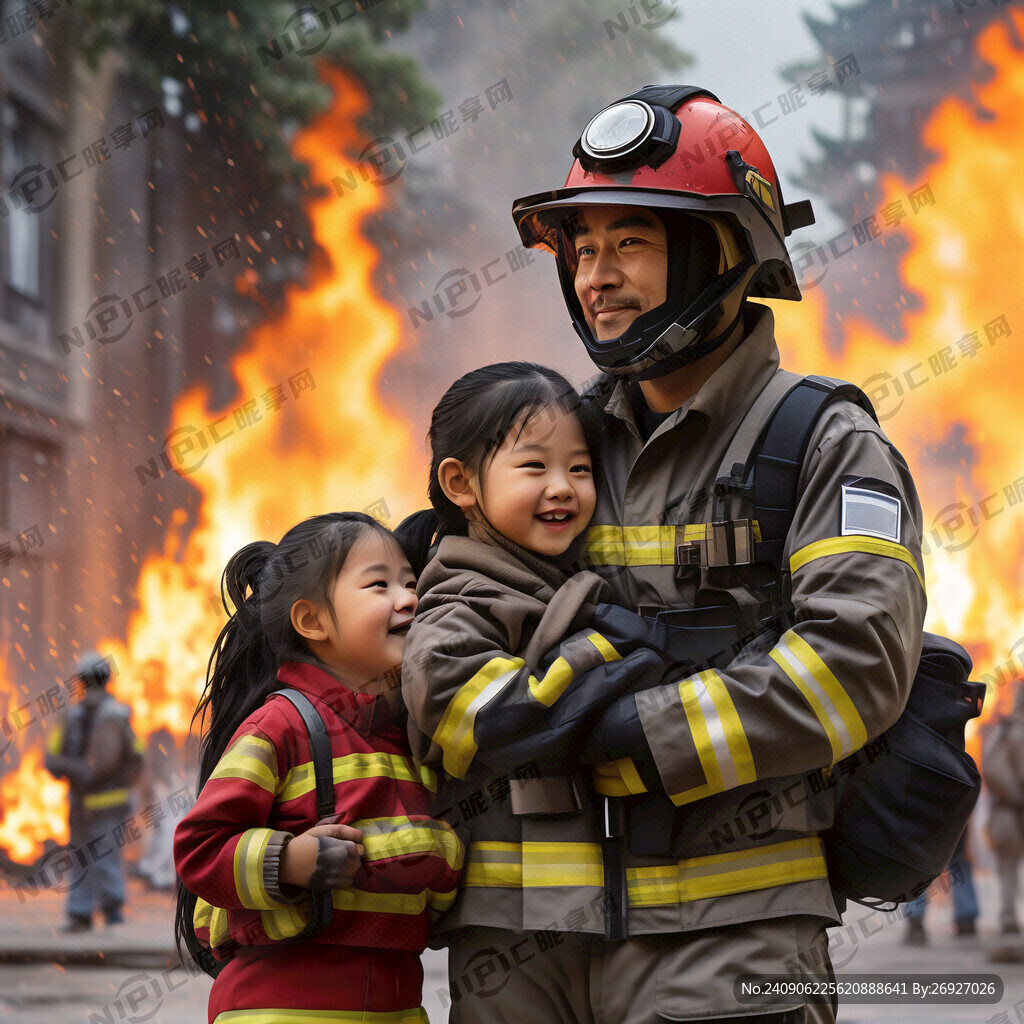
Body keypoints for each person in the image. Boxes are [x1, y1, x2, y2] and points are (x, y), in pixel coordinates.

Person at [438, 83, 923, 1023]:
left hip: (725, 943)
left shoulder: (823, 443)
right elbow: (458, 610)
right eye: (582, 248)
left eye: (631, 242)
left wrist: (644, 733)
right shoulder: (548, 447)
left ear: (721, 251)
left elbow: (855, 665)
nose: (594, 275)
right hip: (519, 948)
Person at [398, 362, 688, 1012]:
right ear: (461, 483)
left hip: (607, 920)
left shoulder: (567, 587)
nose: (563, 489)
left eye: (580, 469)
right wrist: (612, 648)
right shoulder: (454, 604)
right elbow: (493, 717)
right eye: (534, 467)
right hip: (504, 932)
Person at [173, 512, 463, 1024]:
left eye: (411, 583)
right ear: (312, 621)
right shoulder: (279, 726)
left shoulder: (410, 739)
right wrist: (287, 861)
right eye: (380, 585)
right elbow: (200, 848)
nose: (409, 600)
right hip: (279, 1009)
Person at [44, 651, 142, 932]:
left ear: (82, 681)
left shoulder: (74, 717)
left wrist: (73, 770)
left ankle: (87, 913)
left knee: (84, 856)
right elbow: (136, 754)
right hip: (101, 801)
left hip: (89, 801)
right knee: (100, 854)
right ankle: (102, 913)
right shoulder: (117, 715)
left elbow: (52, 757)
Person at [984, 684, 1024, 936]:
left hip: (1002, 812)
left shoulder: (1001, 729)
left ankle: (1008, 917)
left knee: (1007, 869)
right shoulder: (1018, 732)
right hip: (1016, 811)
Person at [903, 827, 979, 945]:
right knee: (960, 864)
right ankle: (966, 920)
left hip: (927, 821)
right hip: (954, 820)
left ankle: (915, 920)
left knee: (919, 864)